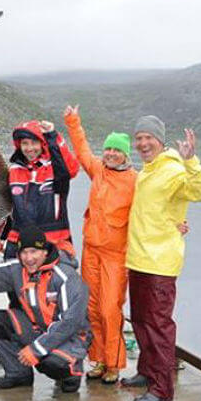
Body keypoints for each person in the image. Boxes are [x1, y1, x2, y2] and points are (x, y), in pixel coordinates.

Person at [120, 116, 201, 401]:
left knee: (158, 325)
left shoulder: (173, 168)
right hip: (139, 259)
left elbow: (200, 192)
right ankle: (147, 373)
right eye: (139, 138)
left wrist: (192, 161)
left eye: (149, 138)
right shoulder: (147, 171)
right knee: (142, 322)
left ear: (161, 140)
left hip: (160, 263)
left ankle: (162, 389)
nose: (143, 144)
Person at [62, 104, 136, 384]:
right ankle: (99, 360)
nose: (111, 154)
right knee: (91, 309)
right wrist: (72, 120)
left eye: (117, 150)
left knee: (109, 309)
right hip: (90, 251)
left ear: (125, 154)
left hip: (117, 256)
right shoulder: (98, 170)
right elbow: (81, 149)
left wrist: (177, 223)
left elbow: (153, 209)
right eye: (108, 149)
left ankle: (115, 363)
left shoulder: (135, 181)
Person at [0, 226, 91, 393]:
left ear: (45, 252)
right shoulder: (17, 268)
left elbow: (71, 322)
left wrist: (37, 349)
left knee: (51, 363)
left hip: (70, 337)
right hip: (39, 330)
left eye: (34, 252)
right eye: (24, 252)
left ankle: (71, 375)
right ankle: (18, 374)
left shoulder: (66, 276)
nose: (29, 258)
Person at [4, 120, 80, 259]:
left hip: (54, 240)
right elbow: (7, 206)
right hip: (19, 241)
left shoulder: (56, 168)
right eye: (25, 143)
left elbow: (72, 168)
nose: (29, 148)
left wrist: (52, 136)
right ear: (18, 145)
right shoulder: (13, 170)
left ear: (42, 144)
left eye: (34, 142)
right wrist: (0, 237)